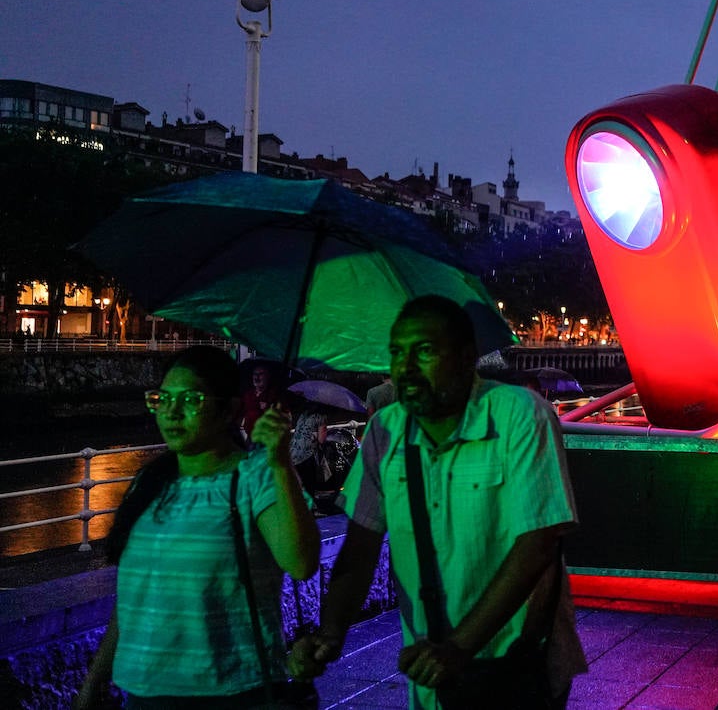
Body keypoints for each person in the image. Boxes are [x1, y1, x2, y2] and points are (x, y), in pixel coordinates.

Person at [290, 296, 585, 708]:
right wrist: (331, 632)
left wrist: (460, 647)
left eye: (424, 351)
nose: (405, 368)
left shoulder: (519, 414)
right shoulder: (385, 432)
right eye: (397, 353)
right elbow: (360, 547)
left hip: (517, 661)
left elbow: (538, 543)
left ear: (466, 358)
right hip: (431, 668)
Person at [76, 347, 320, 709]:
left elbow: (301, 562)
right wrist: (95, 681)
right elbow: (134, 598)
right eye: (162, 399)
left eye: (191, 399)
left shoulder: (256, 476)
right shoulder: (151, 481)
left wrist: (280, 463)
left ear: (229, 410)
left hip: (230, 692)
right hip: (142, 694)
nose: (172, 412)